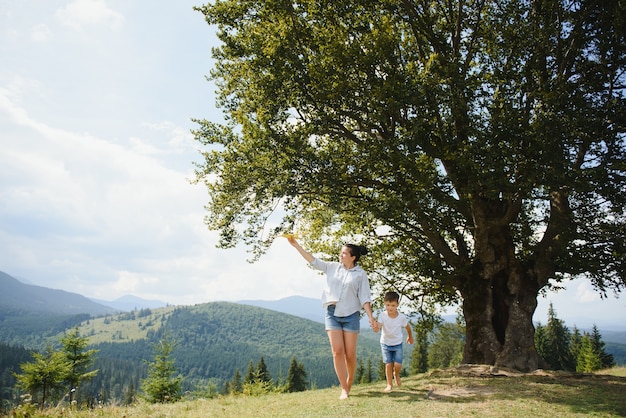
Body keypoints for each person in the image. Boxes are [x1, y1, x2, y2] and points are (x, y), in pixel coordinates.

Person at [287, 237, 376, 400]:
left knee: (350, 354)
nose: (340, 255)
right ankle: (344, 388)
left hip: (351, 315)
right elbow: (312, 260)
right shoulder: (332, 267)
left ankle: (350, 379)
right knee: (337, 352)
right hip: (331, 313)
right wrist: (296, 245)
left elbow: (365, 297)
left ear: (353, 257)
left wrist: (371, 318)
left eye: (343, 253)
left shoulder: (360, 274)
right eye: (341, 253)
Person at [373, 291, 414, 392]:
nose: (390, 308)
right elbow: (379, 326)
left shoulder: (401, 317)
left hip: (397, 343)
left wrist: (410, 337)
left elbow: (407, 327)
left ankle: (396, 374)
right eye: (388, 305)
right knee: (388, 364)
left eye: (393, 305)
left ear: (397, 305)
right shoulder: (382, 315)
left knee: (397, 365)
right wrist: (376, 327)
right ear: (384, 304)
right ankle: (389, 384)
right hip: (385, 343)